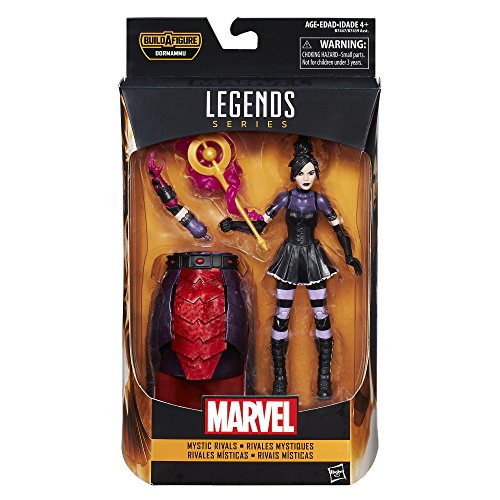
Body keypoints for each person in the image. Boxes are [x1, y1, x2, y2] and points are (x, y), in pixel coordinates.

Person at [220, 136, 362, 399]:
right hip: (288, 259)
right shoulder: (285, 198)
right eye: (301, 173)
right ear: (293, 175)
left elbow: (340, 231)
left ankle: (324, 379)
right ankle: (279, 380)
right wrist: (234, 225)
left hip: (313, 259)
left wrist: (350, 256)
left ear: (316, 174)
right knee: (281, 316)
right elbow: (260, 226)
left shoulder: (320, 201)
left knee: (321, 315)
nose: (306, 178)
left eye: (310, 173)